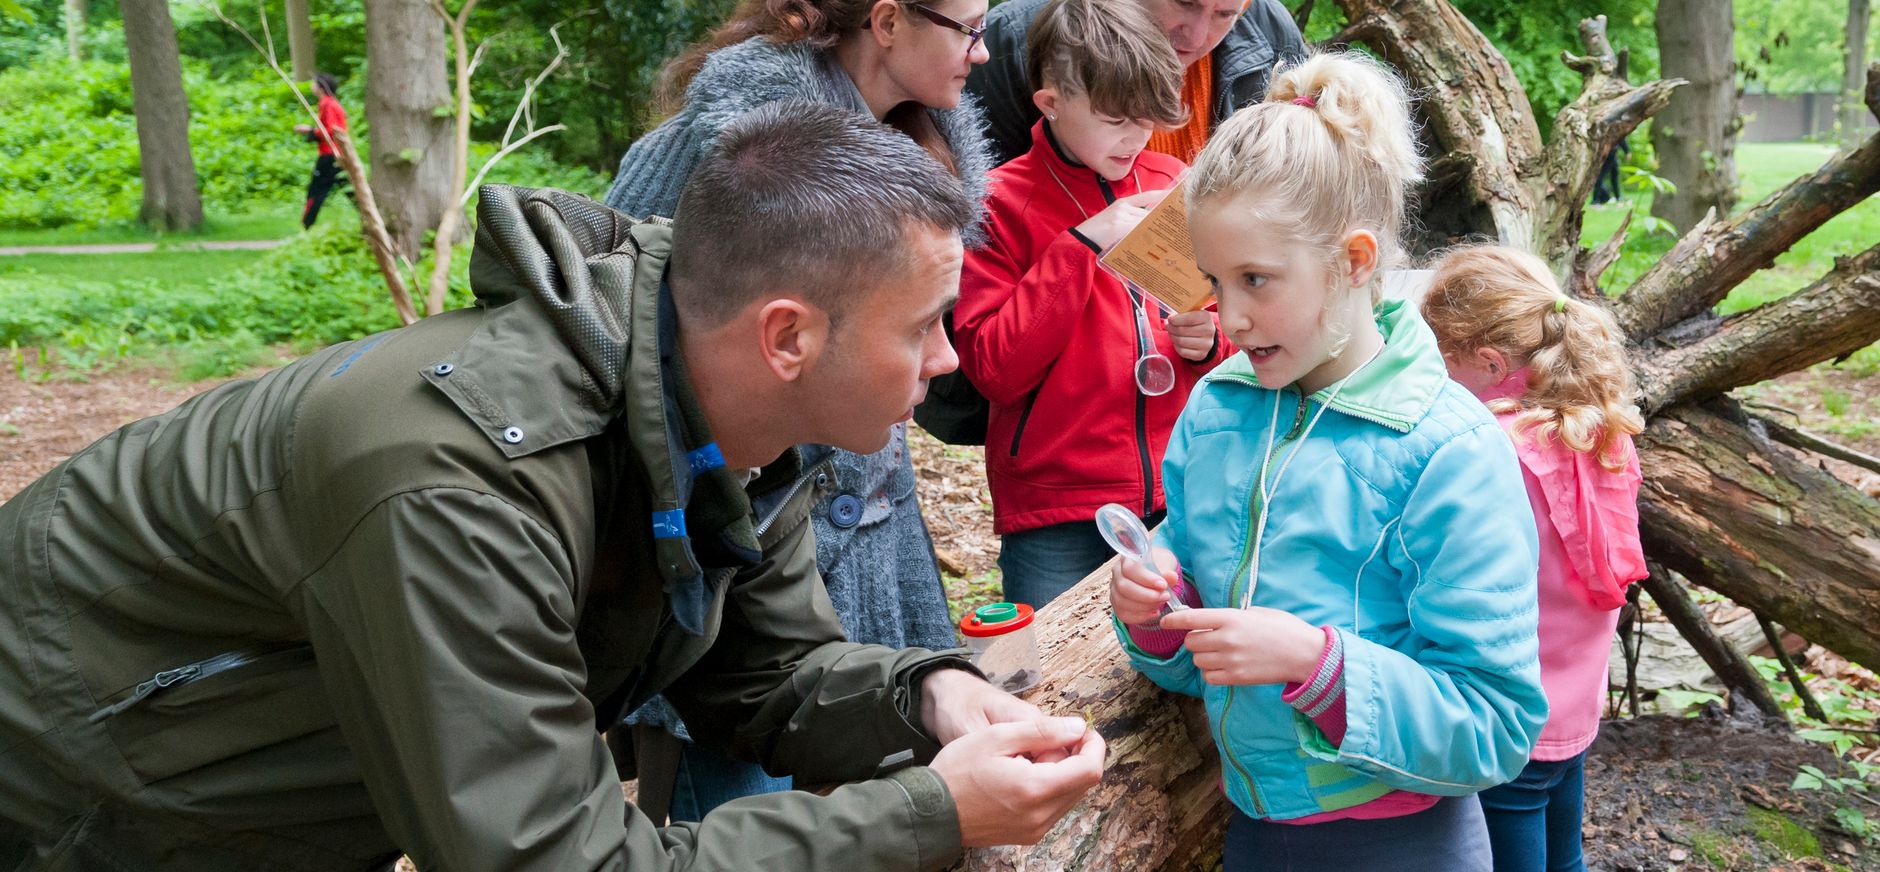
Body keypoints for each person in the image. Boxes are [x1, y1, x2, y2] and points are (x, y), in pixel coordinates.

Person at [0, 102, 1105, 872]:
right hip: (72, 790)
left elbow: (765, 669)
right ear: (787, 335)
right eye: (921, 327)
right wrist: (931, 810)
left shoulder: (720, 403)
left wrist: (925, 700)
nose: (949, 359)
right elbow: (542, 855)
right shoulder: (460, 479)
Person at [1105, 53, 1549, 871]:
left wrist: (1315, 663)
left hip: (1404, 840)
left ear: (1353, 259)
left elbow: (1495, 726)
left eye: (1256, 280)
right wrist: (1157, 611)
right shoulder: (1217, 413)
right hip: (1255, 827)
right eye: (1212, 280)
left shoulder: (1447, 450)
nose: (1229, 316)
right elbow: (1198, 651)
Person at [601, 0, 994, 821]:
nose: (985, 54)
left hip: (880, 545)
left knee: (877, 783)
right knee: (733, 807)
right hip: (736, 541)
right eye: (969, 28)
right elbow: (624, 339)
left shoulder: (919, 149)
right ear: (888, 21)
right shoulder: (721, 152)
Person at [953, 0, 1229, 608]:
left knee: (1174, 662)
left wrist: (1211, 342)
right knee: (1053, 676)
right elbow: (995, 369)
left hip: (1176, 493)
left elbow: (1228, 317)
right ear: (1050, 103)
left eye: (1148, 119)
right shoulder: (997, 206)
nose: (1135, 138)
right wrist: (1079, 247)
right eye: (1114, 120)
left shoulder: (1172, 183)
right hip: (1057, 510)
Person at [1422, 246, 1648, 872]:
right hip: (1573, 709)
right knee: (1564, 859)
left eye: (1442, 366)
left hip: (1507, 716)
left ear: (1489, 363)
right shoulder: (1599, 427)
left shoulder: (1491, 451)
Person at [965, 0, 1307, 165]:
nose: (1198, 37)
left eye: (1225, 15)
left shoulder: (1269, 30)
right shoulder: (1009, 44)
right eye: (1185, 2)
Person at [293, 72, 349, 229]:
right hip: (338, 154)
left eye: (313, 83)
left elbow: (331, 130)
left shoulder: (327, 104)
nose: (311, 86)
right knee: (349, 189)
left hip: (330, 155)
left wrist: (310, 131)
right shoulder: (331, 103)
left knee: (316, 190)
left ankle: (306, 225)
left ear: (321, 87)